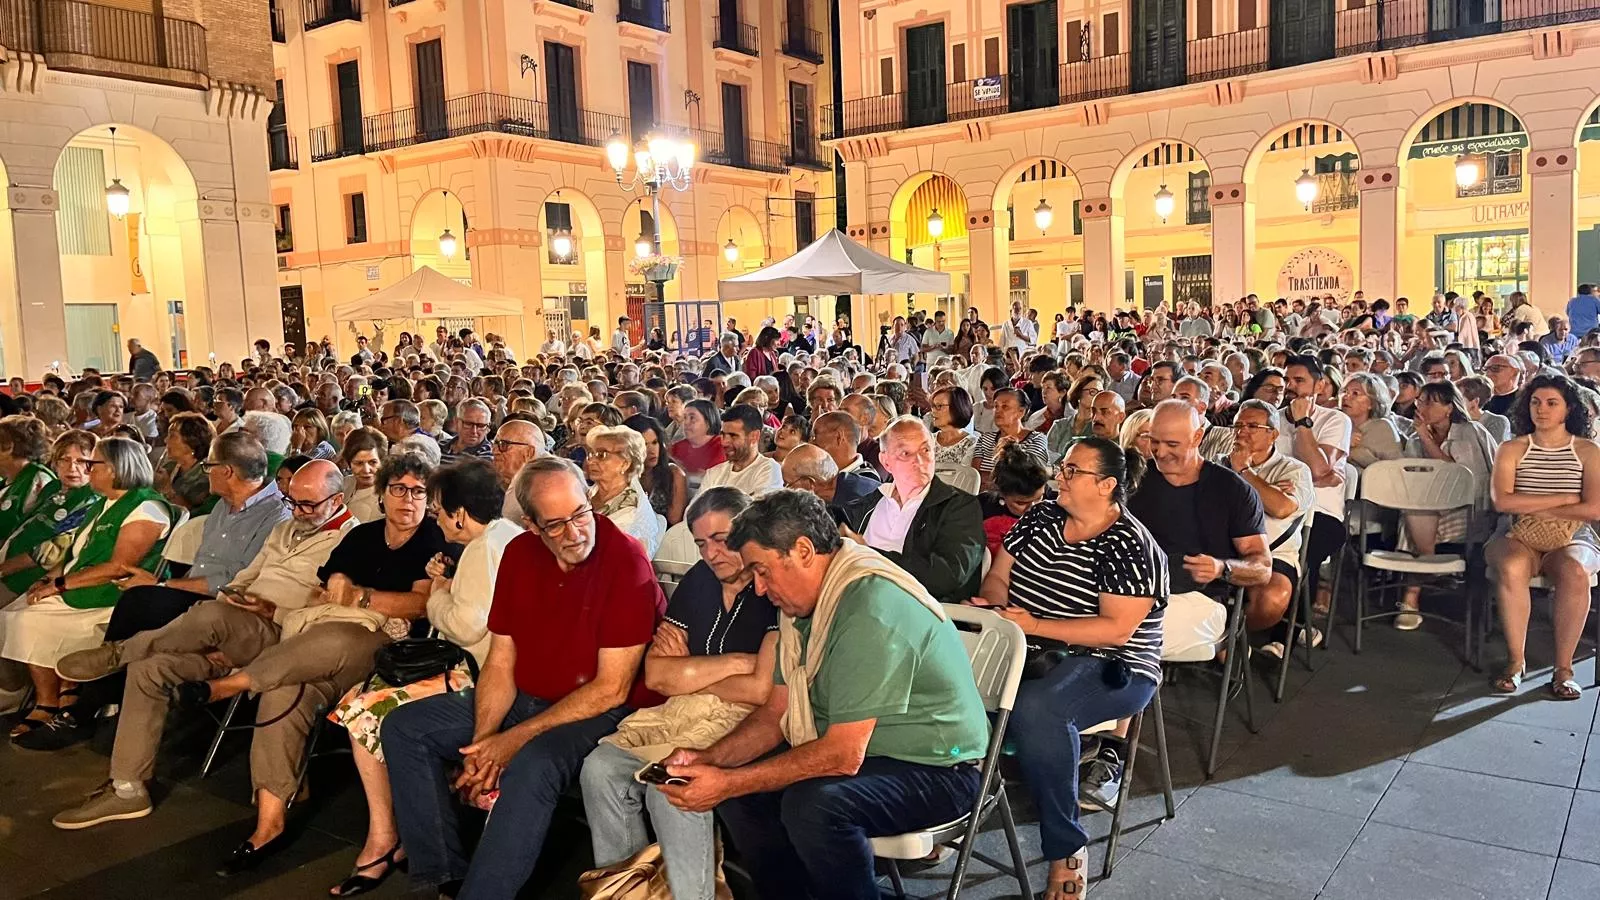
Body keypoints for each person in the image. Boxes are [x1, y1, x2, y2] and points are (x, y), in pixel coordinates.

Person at [51, 455, 441, 873]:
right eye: (398, 489)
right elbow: (306, 590)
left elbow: (416, 606)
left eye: (418, 491)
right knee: (173, 660)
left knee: (301, 653)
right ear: (382, 495)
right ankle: (135, 787)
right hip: (284, 635)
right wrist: (244, 599)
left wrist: (350, 597)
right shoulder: (347, 535)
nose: (408, 499)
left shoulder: (403, 539)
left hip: (329, 640)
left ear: (337, 498)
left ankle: (229, 686)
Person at [657, 489, 988, 900]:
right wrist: (711, 759)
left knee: (813, 805)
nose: (758, 589)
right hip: (874, 754)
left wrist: (728, 781)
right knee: (744, 797)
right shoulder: (804, 604)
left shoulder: (869, 605)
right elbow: (774, 712)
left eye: (762, 571)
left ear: (803, 550)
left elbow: (842, 755)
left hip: (941, 768)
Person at [381, 457, 660, 900]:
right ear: (530, 525)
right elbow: (500, 659)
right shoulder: (519, 553)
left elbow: (612, 689)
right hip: (528, 697)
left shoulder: (626, 561)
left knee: (532, 765)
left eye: (580, 514)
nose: (575, 533)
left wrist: (509, 743)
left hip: (597, 710)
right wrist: (484, 742)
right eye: (555, 525)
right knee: (404, 727)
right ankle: (445, 878)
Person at [971, 437, 1167, 899]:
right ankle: (946, 807)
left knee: (1039, 710)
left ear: (1106, 485)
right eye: (1063, 466)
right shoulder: (1041, 518)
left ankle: (1066, 848)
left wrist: (1035, 622)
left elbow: (1116, 631)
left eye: (1072, 470)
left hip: (1113, 665)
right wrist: (997, 605)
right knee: (942, 679)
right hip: (1029, 645)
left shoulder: (1130, 544)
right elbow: (999, 574)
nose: (1059, 474)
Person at [325, 460, 521, 897]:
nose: (433, 516)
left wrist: (435, 595)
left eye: (436, 508)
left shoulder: (483, 549)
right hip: (485, 673)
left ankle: (392, 842)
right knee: (369, 703)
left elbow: (467, 626)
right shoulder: (505, 537)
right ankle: (393, 839)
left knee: (364, 711)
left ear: (459, 513)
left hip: (479, 679)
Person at [580, 487, 777, 900]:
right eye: (701, 543)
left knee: (669, 786)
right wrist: (737, 662)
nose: (711, 553)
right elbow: (656, 675)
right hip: (680, 712)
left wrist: (688, 671)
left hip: (750, 723)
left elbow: (761, 690)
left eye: (722, 540)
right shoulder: (699, 580)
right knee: (598, 768)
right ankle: (631, 893)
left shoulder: (770, 587)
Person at [0, 438, 173, 741]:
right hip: (82, 586)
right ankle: (60, 695)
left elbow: (120, 567)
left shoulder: (147, 507)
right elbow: (73, 555)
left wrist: (59, 585)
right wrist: (49, 579)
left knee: (27, 619)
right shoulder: (105, 502)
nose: (86, 470)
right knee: (17, 611)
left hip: (113, 597)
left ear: (118, 468)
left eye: (93, 464)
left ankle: (48, 702)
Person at [1128, 401, 1271, 661]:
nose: (1160, 453)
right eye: (1154, 442)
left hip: (1201, 599)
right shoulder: (1137, 478)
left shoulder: (1232, 490)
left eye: (1172, 445)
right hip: (1135, 588)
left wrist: (1222, 568)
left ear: (1197, 437)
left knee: (1124, 630)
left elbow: (1263, 567)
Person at [1486, 374, 1600, 700]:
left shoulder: (1588, 451)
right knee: (1511, 566)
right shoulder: (1512, 448)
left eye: (1551, 403)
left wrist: (1548, 511)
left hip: (1573, 535)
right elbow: (1503, 501)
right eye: (1536, 402)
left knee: (1575, 572)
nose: (1542, 410)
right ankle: (1515, 661)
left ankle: (1563, 669)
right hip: (1516, 531)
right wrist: (1563, 500)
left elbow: (1593, 508)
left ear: (1568, 409)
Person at [839, 417, 984, 604]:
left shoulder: (959, 507)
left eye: (926, 450)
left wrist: (867, 555)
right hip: (855, 602)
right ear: (885, 461)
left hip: (918, 612)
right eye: (906, 453)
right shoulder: (868, 505)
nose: (920, 461)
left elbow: (946, 576)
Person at [1393, 381, 1496, 629]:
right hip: (1429, 509)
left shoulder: (1469, 432)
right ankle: (1428, 563)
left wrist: (1427, 441)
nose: (1422, 406)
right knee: (1413, 512)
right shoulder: (1416, 439)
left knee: (1414, 523)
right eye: (1420, 401)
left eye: (1430, 401)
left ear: (1449, 407)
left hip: (1470, 510)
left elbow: (1460, 476)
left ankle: (1412, 595)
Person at [1220, 401, 1318, 653]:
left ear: (1273, 434)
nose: (1242, 431)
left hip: (1272, 555)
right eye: (1238, 425)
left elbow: (1283, 508)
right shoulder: (1218, 464)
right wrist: (1265, 491)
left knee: (1273, 599)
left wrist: (1244, 471)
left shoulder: (1294, 469)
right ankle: (1220, 642)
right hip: (1218, 548)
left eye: (1253, 426)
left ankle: (1229, 638)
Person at [1279, 355, 1352, 606]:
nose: (1290, 386)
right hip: (1274, 508)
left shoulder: (1335, 420)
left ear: (1319, 386)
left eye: (1299, 380)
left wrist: (1303, 423)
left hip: (1320, 514)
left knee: (1301, 550)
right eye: (1286, 380)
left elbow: (1319, 470)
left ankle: (1288, 630)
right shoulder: (1273, 419)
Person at [586, 424, 664, 557]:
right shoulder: (590, 492)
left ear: (625, 463)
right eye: (590, 454)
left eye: (601, 455)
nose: (591, 461)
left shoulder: (631, 515)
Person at [979, 441, 1050, 557]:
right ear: (1001, 493)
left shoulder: (1055, 505)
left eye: (1039, 498)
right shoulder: (981, 508)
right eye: (1021, 503)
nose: (1032, 508)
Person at [701, 404, 783, 498]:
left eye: (733, 436)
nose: (724, 443)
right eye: (722, 435)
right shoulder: (713, 473)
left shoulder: (768, 469)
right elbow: (694, 510)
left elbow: (759, 510)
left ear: (754, 436)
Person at [974, 388, 1048, 490]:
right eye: (996, 406)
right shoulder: (985, 438)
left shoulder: (1036, 439)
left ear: (1021, 412)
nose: (998, 411)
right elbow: (974, 476)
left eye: (1005, 406)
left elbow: (1027, 478)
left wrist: (994, 480)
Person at [780, 442, 880, 509]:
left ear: (810, 484)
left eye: (788, 485)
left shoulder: (848, 508)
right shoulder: (843, 485)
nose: (785, 490)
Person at [1340, 372, 1405, 468]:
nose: (1346, 397)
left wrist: (1355, 453)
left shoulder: (1382, 428)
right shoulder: (1334, 420)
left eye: (1355, 393)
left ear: (1372, 402)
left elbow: (1396, 468)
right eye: (1345, 391)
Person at [157, 411, 215, 512]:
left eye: (172, 436)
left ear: (192, 441)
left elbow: (190, 512)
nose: (166, 440)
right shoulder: (170, 466)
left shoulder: (207, 475)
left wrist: (167, 489)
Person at [670, 398, 727, 480]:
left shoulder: (721, 446)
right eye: (685, 418)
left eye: (692, 418)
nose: (686, 423)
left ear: (708, 421)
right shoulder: (677, 447)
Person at [340, 427, 388, 522]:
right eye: (359, 463)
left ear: (382, 461)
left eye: (373, 462)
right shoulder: (344, 483)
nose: (366, 470)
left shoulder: (387, 497)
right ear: (349, 463)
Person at [931, 385, 977, 470]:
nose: (933, 411)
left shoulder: (972, 443)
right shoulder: (928, 440)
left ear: (957, 408)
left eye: (939, 406)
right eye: (933, 406)